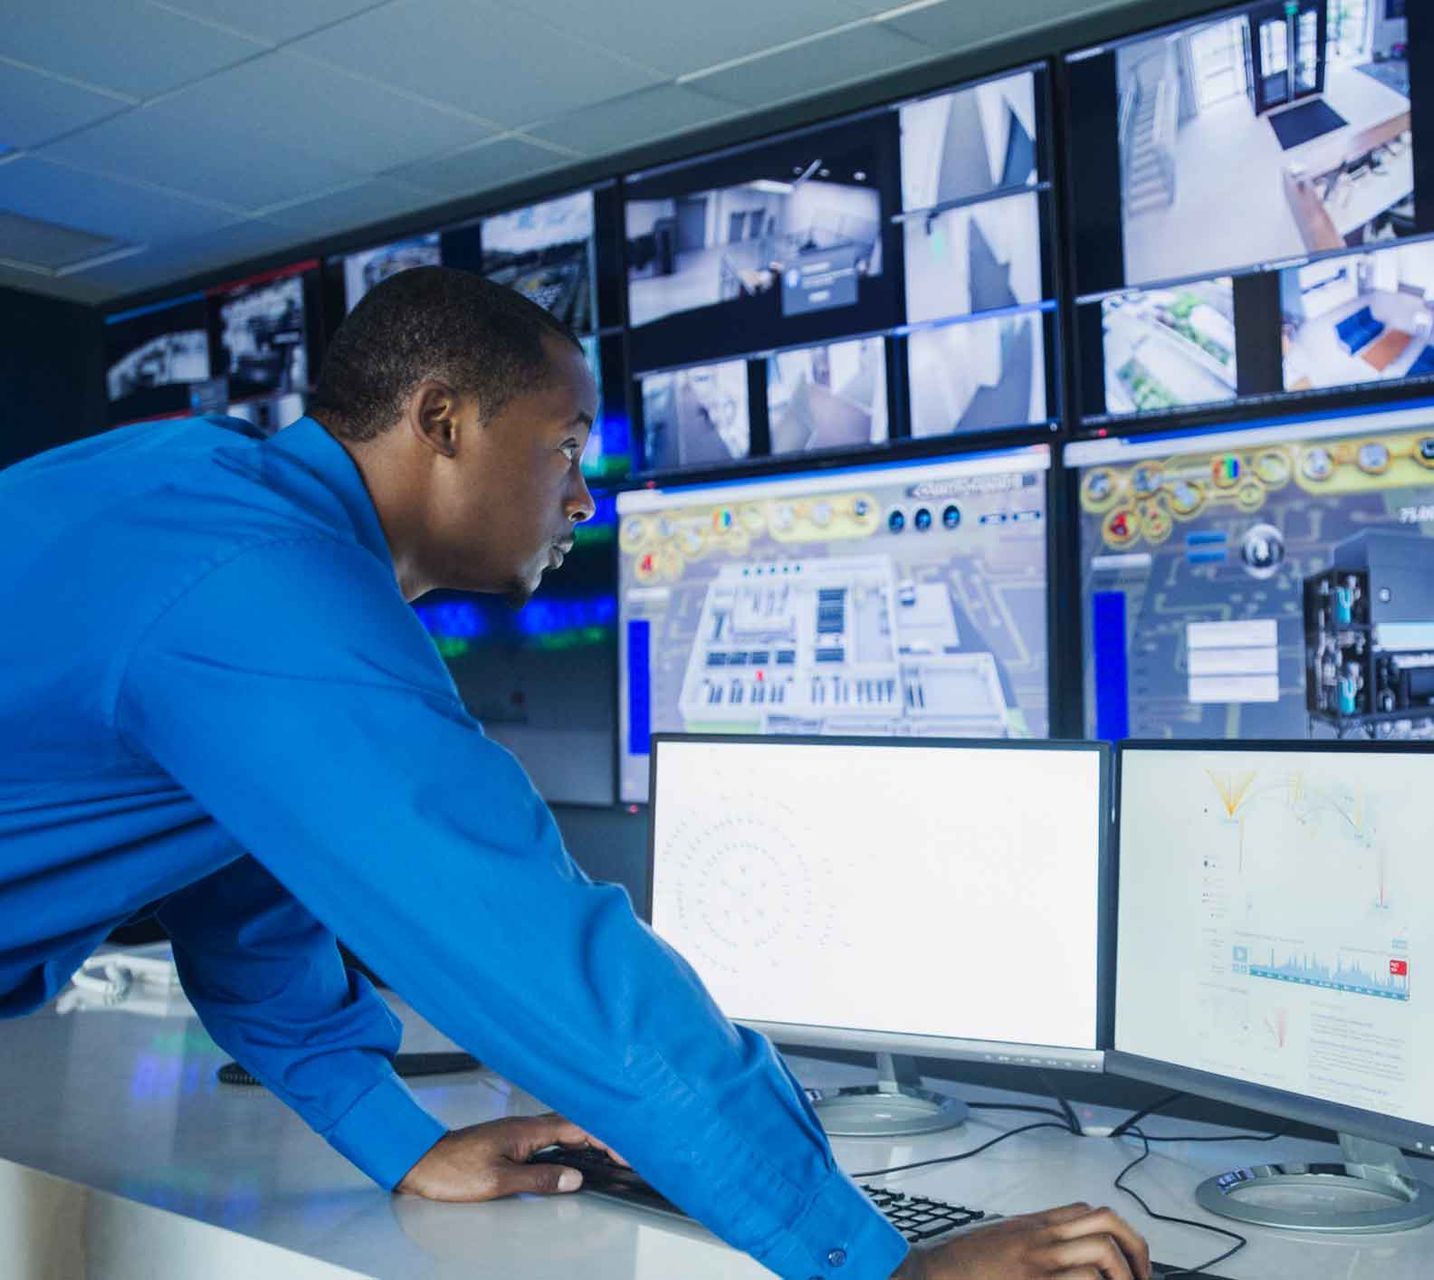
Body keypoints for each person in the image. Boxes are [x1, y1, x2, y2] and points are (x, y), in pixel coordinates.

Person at [0, 268, 1149, 1280]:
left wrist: (399, 1139)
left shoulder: (195, 491)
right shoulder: (261, 583)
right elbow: (536, 944)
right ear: (440, 420)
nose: (585, 498)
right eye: (567, 446)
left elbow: (243, 904)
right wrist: (872, 1264)